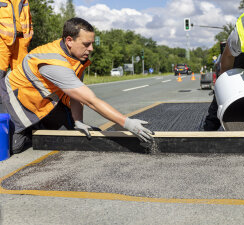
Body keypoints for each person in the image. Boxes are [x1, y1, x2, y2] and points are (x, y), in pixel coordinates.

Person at [0, 17, 153, 154]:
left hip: (42, 101)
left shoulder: (76, 58)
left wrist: (78, 121)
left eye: (92, 43)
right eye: (86, 44)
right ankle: (30, 129)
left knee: (71, 135)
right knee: (15, 147)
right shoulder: (54, 62)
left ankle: (41, 125)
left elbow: (76, 95)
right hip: (14, 100)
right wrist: (127, 123)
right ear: (69, 41)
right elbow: (90, 100)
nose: (91, 49)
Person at [0, 0, 33, 80]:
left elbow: (28, 18)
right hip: (3, 40)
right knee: (1, 73)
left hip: (21, 40)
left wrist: (29, 35)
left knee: (21, 75)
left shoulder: (24, 0)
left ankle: (17, 93)